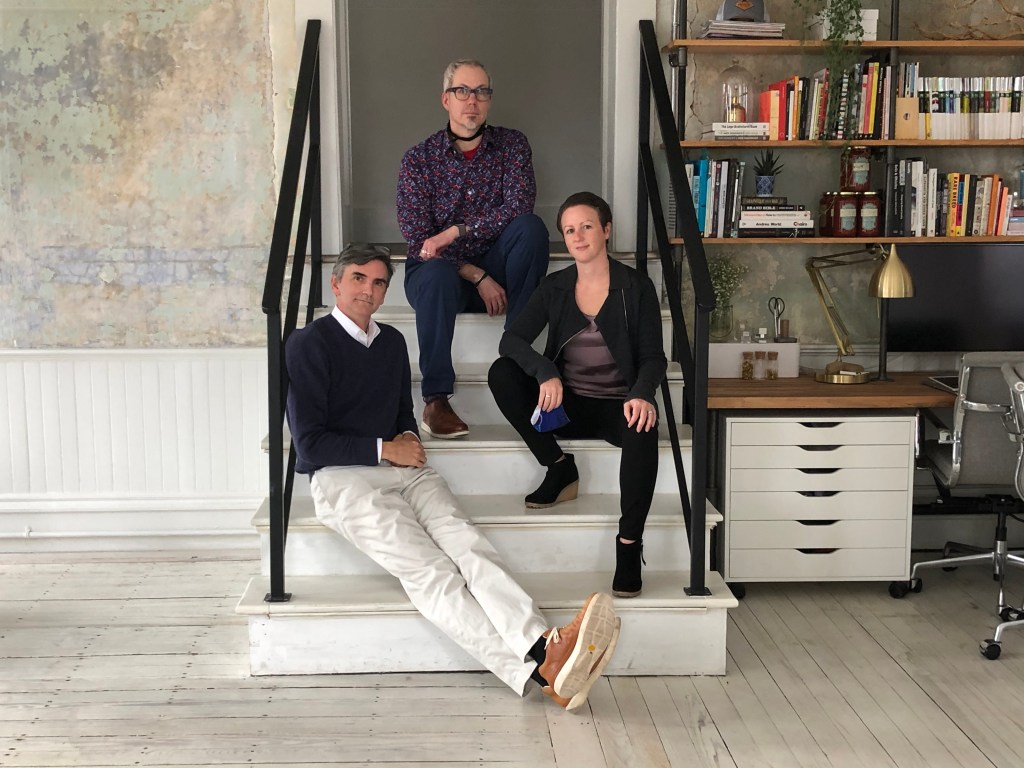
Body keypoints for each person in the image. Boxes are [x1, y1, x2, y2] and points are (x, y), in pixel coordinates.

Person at [285, 245, 620, 710]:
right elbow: (309, 444)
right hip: (343, 479)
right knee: (432, 572)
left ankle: (545, 647)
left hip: (404, 470)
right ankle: (540, 665)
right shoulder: (308, 343)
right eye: (359, 278)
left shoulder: (392, 342)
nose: (369, 289)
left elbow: (403, 409)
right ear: (336, 283)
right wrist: (386, 448)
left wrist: (406, 437)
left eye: (380, 282)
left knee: (468, 545)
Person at [488, 192, 667, 598]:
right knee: (503, 373)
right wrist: (545, 371)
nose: (578, 236)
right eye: (570, 230)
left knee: (643, 428)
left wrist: (642, 394)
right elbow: (511, 340)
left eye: (587, 226)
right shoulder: (555, 287)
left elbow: (654, 357)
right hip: (567, 403)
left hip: (618, 407)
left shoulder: (635, 287)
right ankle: (558, 466)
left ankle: (629, 545)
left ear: (605, 230)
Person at [397, 58, 550, 439]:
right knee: (433, 271)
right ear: (445, 99)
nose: (472, 100)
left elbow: (518, 207)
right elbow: (420, 239)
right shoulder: (419, 160)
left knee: (531, 229)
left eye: (481, 91)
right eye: (462, 91)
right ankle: (435, 400)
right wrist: (475, 274)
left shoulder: (512, 146)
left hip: (500, 268)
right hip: (440, 278)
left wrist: (456, 231)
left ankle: (518, 364)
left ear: (489, 100)